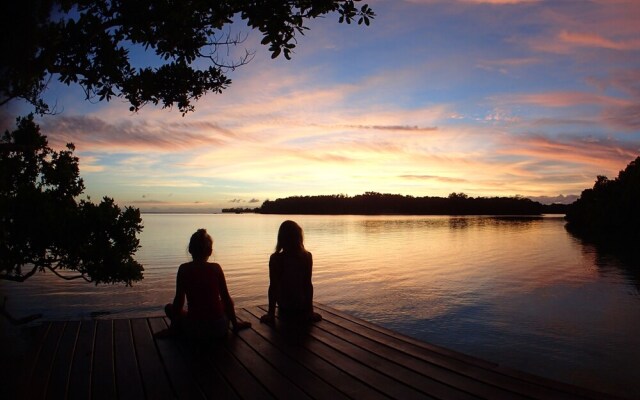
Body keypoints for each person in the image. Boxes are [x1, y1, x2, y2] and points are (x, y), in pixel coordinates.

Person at [164, 229, 250, 338]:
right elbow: (226, 299)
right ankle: (235, 325)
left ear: (190, 250)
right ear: (210, 251)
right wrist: (235, 324)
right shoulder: (216, 268)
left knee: (169, 308)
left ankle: (177, 329)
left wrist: (172, 328)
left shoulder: (183, 269)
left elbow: (179, 300)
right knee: (228, 301)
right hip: (218, 328)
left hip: (194, 329)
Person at [260, 220, 322, 324]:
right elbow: (307, 285)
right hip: (301, 305)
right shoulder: (307, 257)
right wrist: (310, 311)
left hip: (284, 306)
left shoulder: (275, 258)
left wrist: (271, 314)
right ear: (299, 238)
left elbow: (273, 287)